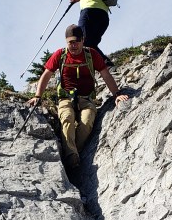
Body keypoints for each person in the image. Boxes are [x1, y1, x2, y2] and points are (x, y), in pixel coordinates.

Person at [28, 24, 128, 168]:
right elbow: (46, 75)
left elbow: (106, 74)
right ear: (66, 42)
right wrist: (38, 96)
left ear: (83, 40)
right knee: (67, 118)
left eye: (76, 41)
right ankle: (72, 158)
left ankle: (74, 152)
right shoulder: (60, 55)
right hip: (65, 98)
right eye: (70, 42)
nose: (73, 45)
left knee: (87, 122)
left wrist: (117, 94)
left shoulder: (91, 54)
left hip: (87, 99)